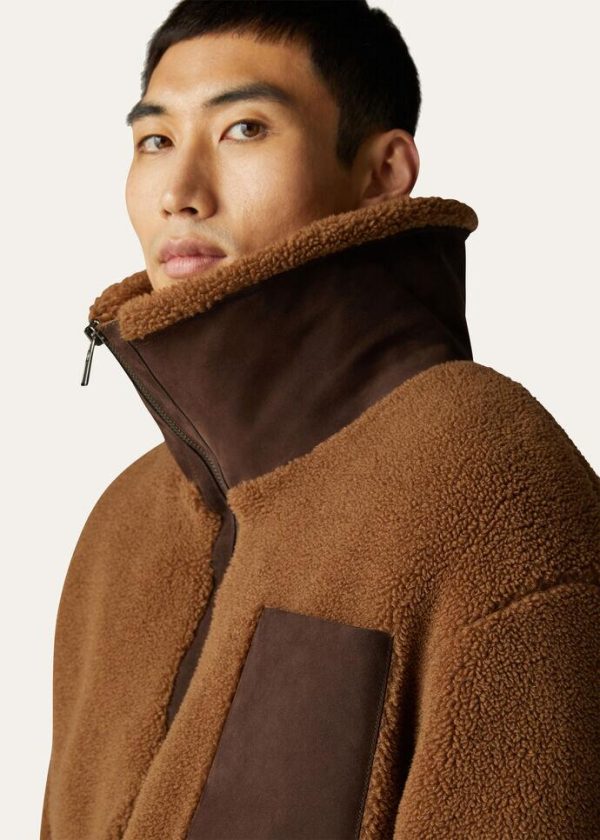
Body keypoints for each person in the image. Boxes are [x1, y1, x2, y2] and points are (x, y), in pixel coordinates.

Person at [41, 2, 599, 838]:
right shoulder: (123, 526)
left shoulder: (487, 478)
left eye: (244, 129)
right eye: (155, 140)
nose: (180, 194)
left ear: (383, 171)